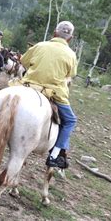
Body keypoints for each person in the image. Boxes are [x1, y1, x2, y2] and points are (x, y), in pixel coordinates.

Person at [20, 21, 78, 169]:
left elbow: (24, 62)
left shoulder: (39, 46)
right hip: (54, 92)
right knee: (71, 120)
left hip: (29, 85)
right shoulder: (71, 55)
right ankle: (54, 155)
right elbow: (70, 75)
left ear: (54, 33)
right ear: (70, 38)